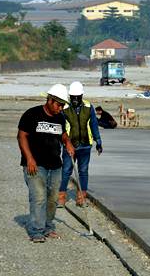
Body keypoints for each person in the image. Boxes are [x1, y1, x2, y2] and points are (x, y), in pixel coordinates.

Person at [17, 84, 75, 242]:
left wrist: (68, 142)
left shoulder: (60, 117)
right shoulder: (32, 114)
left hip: (55, 164)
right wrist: (29, 158)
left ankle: (48, 227)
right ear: (50, 100)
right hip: (35, 164)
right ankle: (37, 231)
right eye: (58, 104)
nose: (60, 108)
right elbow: (21, 136)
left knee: (52, 198)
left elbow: (62, 134)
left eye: (62, 105)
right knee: (39, 197)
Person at [58, 81, 103, 207]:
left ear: (82, 96)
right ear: (70, 97)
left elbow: (94, 125)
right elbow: (60, 128)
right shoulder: (64, 109)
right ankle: (61, 196)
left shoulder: (89, 107)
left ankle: (81, 197)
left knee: (83, 171)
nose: (75, 100)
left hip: (85, 145)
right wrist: (61, 144)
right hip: (69, 146)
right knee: (66, 170)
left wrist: (98, 141)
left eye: (78, 97)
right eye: (73, 97)